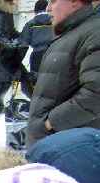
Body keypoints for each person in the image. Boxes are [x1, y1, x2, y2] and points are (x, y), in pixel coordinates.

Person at [25, 0, 100, 148]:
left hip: (70, 151)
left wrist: (51, 122)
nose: (48, 8)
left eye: (53, 1)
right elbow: (51, 92)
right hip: (52, 148)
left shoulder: (93, 33)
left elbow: (96, 93)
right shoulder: (69, 34)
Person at [19, 0, 53, 75]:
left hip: (37, 56)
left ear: (35, 11)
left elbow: (23, 43)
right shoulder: (54, 22)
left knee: (36, 81)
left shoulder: (30, 24)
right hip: (53, 54)